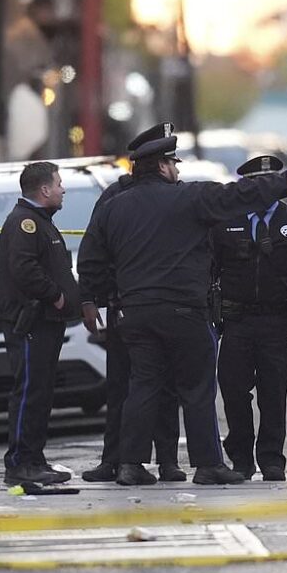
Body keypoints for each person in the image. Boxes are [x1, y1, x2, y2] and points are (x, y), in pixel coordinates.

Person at [78, 129, 287, 486]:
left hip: (137, 312)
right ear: (161, 166)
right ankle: (208, 464)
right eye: (173, 163)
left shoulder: (114, 206)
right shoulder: (189, 198)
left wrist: (91, 299)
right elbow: (243, 193)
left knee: (143, 386)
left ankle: (130, 464)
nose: (177, 169)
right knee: (196, 388)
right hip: (184, 311)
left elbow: (92, 257)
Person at [80, 124, 184, 483]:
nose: (174, 169)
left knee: (165, 386)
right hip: (123, 303)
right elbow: (94, 252)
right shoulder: (115, 196)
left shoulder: (176, 195)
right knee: (121, 386)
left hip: (155, 304)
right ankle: (115, 459)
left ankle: (167, 460)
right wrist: (91, 299)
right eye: (169, 161)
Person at [211, 155, 287, 482]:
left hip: (276, 321)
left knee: (273, 394)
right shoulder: (225, 221)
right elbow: (209, 270)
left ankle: (272, 459)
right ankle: (240, 458)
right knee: (234, 392)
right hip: (236, 321)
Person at [0, 162, 81, 485]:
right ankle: (19, 463)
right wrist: (56, 295)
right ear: (44, 189)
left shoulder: (39, 221)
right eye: (59, 184)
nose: (62, 190)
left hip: (46, 322)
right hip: (33, 321)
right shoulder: (26, 223)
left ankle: (34, 458)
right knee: (30, 391)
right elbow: (25, 269)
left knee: (41, 392)